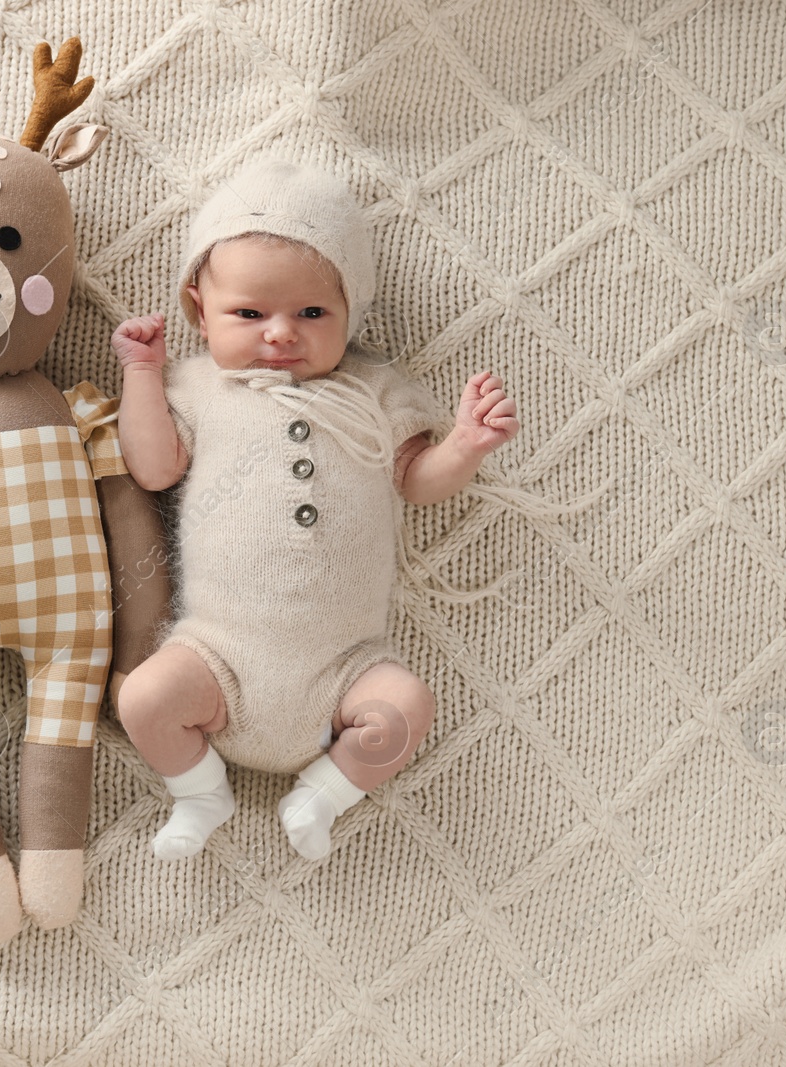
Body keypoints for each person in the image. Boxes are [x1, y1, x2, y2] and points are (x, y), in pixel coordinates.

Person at [111, 159, 520, 861]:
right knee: (143, 698)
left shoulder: (371, 392)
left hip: (344, 670)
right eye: (248, 313)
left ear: (349, 316)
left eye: (311, 313)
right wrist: (143, 375)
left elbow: (416, 480)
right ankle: (201, 792)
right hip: (218, 658)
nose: (279, 334)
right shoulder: (202, 386)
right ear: (198, 312)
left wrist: (465, 444)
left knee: (407, 705)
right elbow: (153, 467)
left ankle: (323, 794)